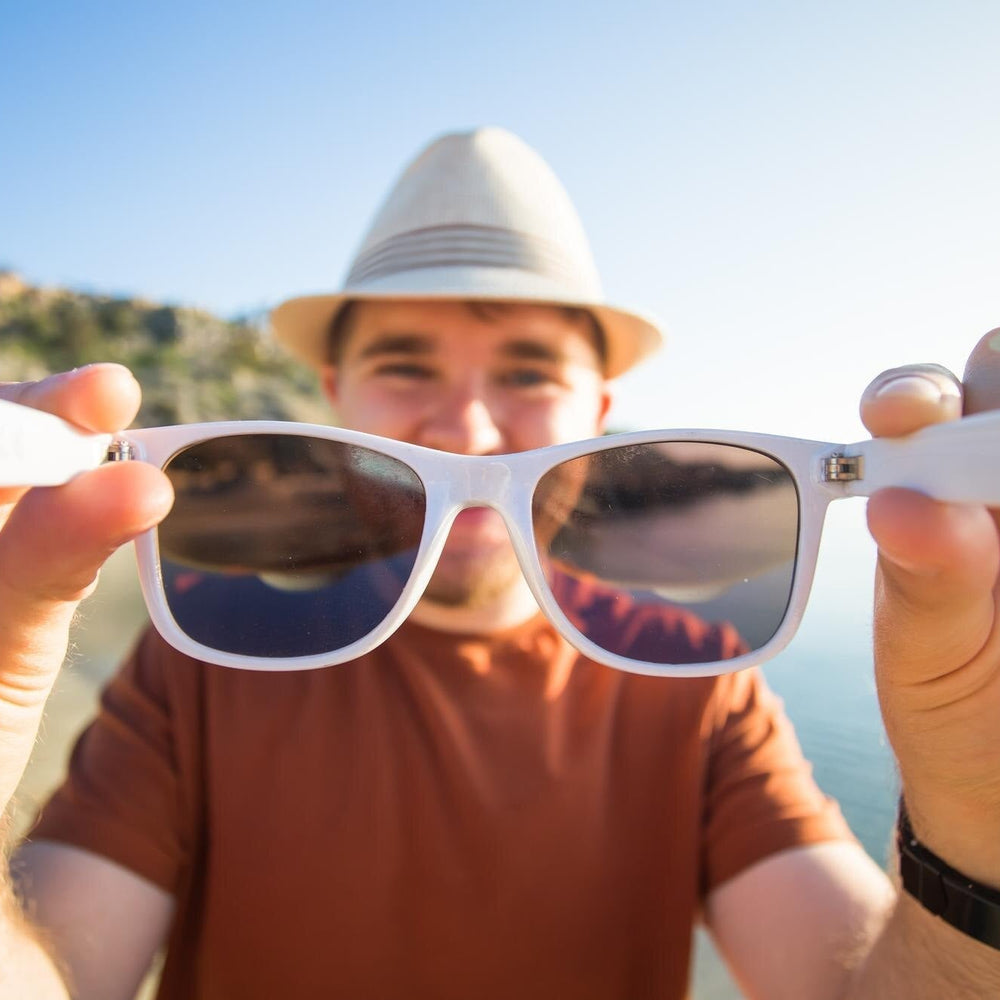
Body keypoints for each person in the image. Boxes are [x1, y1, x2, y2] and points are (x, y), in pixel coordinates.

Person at [1, 128, 998, 1000]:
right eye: (406, 368)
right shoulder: (205, 656)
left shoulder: (694, 685)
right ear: (336, 392)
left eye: (526, 372)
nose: (471, 428)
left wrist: (977, 826)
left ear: (598, 411)